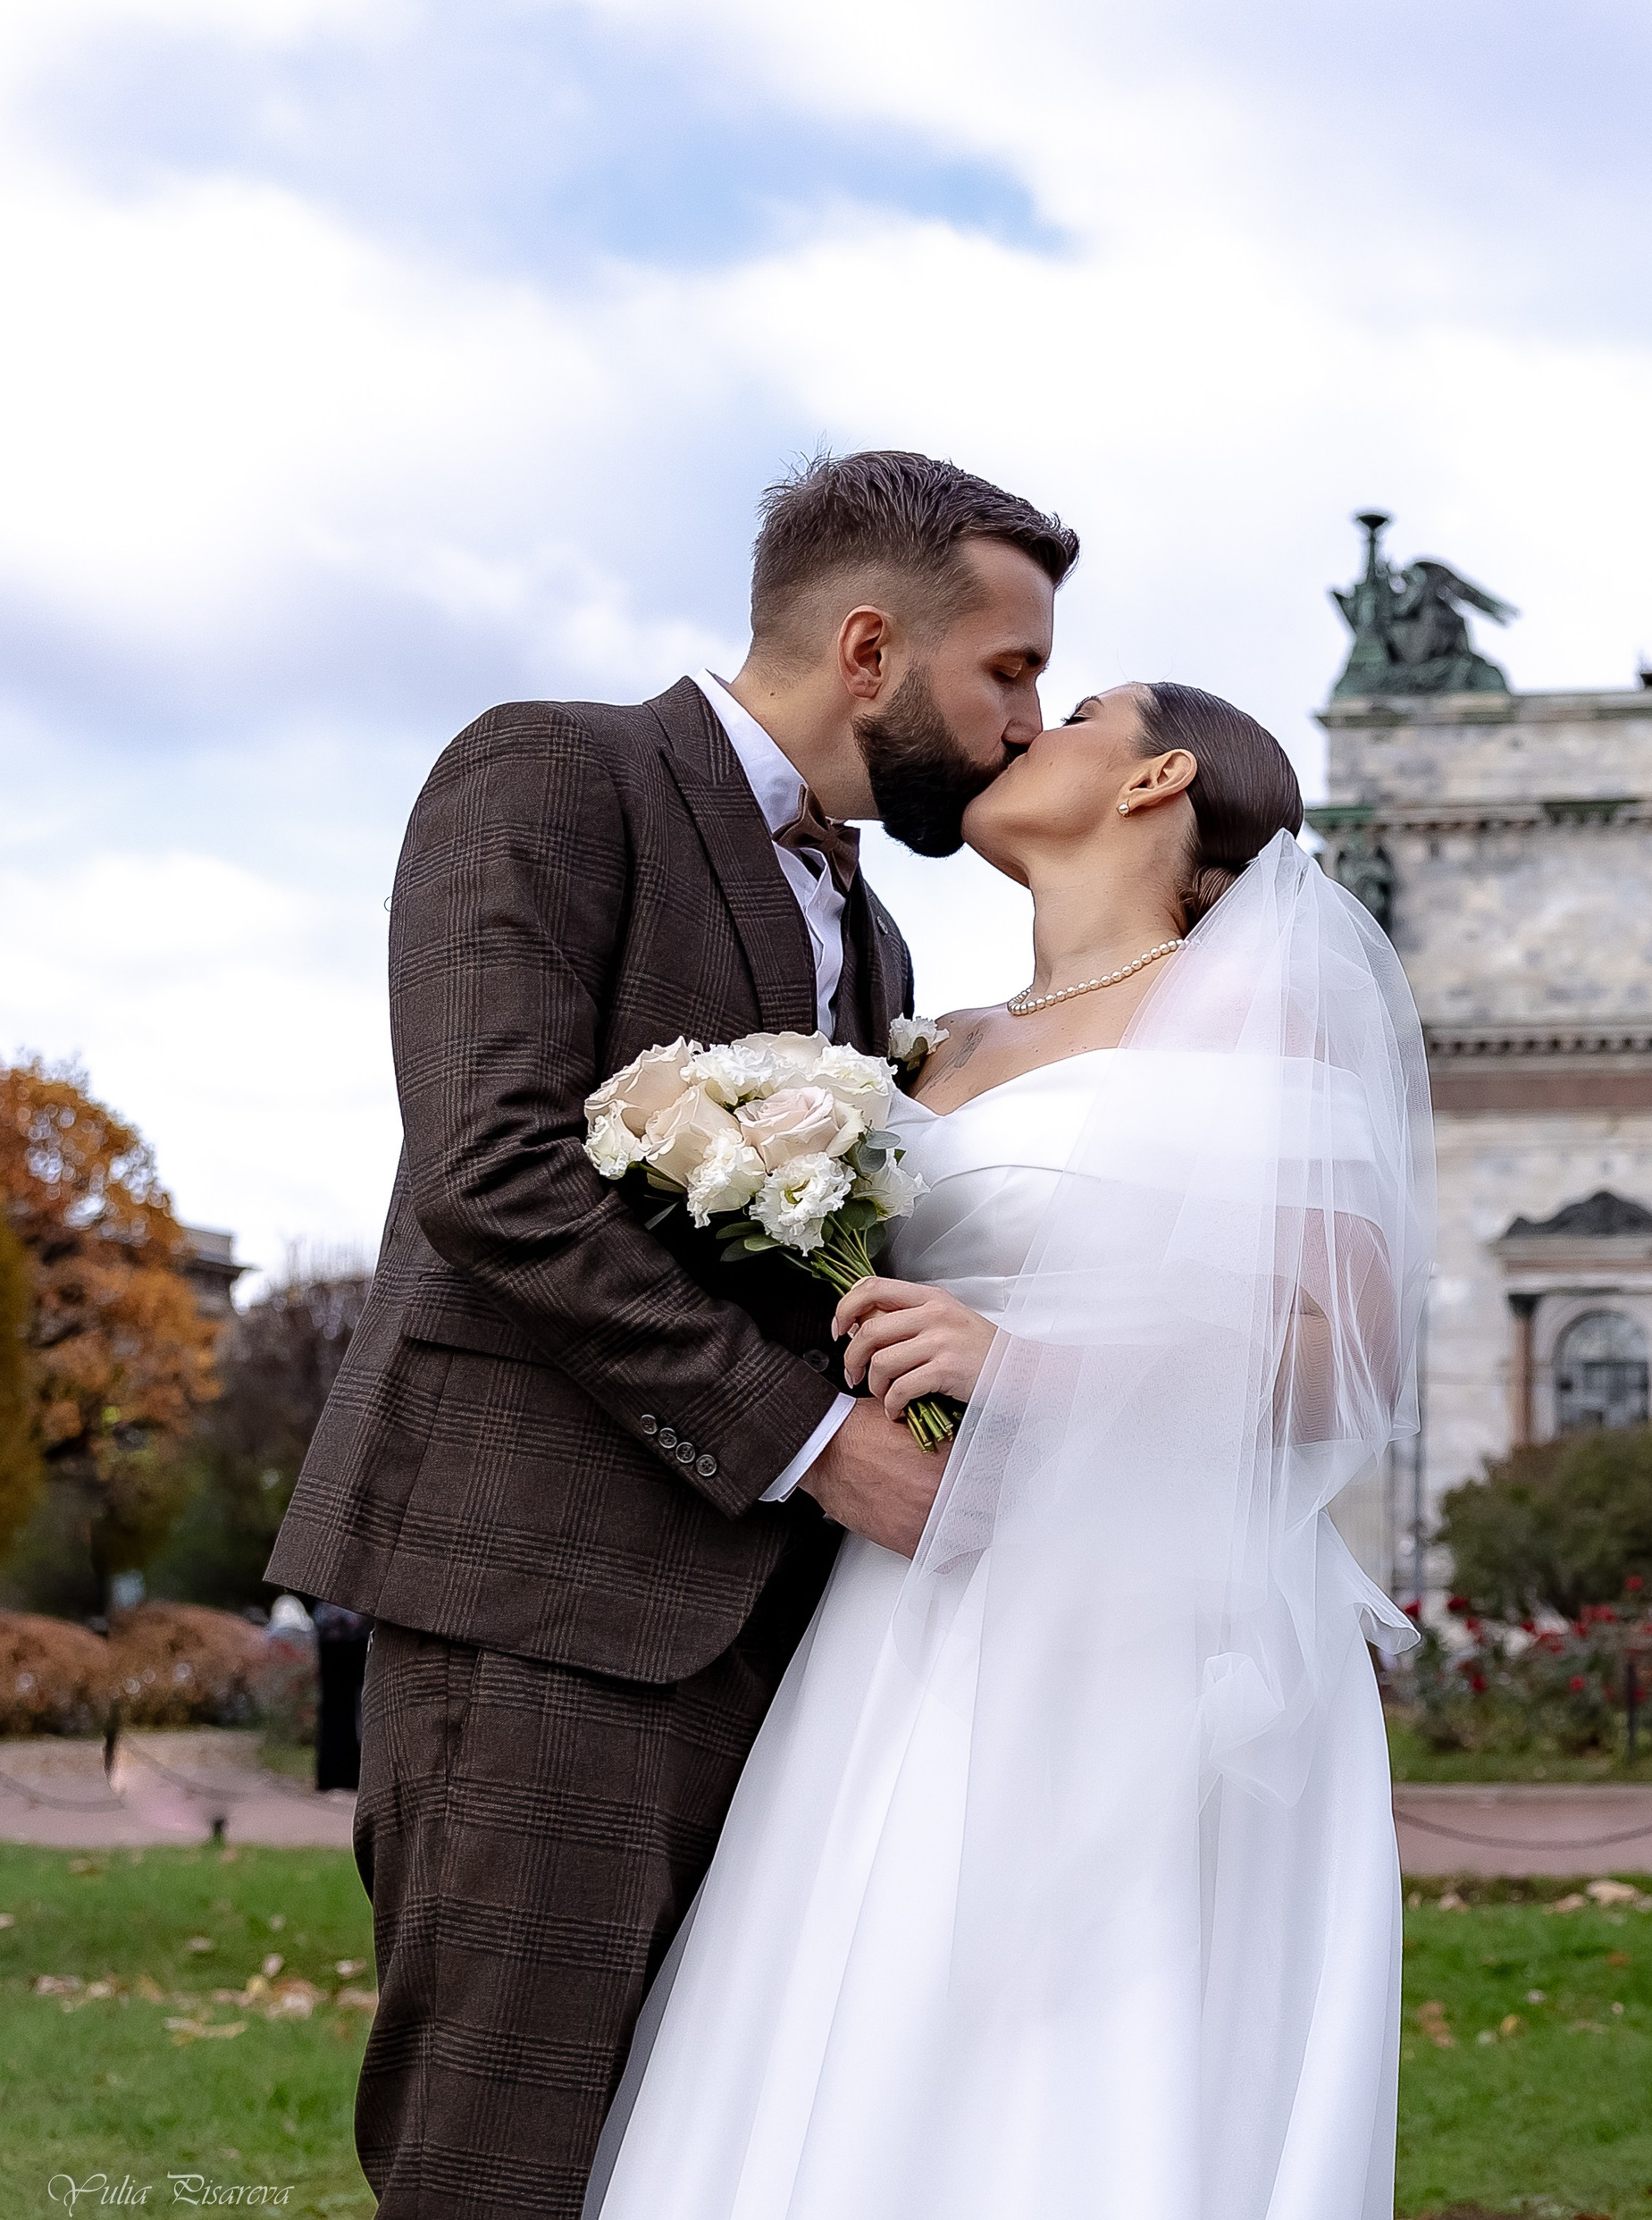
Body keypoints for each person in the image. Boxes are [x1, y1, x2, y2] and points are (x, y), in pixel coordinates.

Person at [264, 450, 1081, 2220]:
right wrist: (810, 1438)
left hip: (774, 1651)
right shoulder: (554, 776)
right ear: (869, 646)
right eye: (1004, 673)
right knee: (503, 2161)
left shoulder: (861, 928)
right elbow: (490, 1174)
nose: (1025, 726)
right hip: (537, 1606)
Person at [586, 681, 1433, 2220]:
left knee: (1088, 2027)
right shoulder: (935, 1039)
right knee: (871, 1980)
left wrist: (1030, 1364)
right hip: (910, 1587)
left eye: (1078, 707)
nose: (1020, 725)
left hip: (1150, 1608)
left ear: (1159, 775)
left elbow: (1339, 1352)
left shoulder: (1254, 1009)